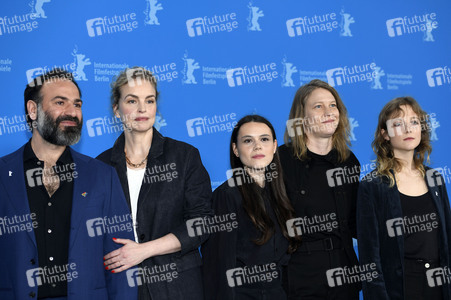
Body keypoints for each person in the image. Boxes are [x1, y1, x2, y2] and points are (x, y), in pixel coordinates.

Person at [0, 69, 136, 299]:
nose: (72, 112)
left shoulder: (103, 176)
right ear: (33, 110)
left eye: (77, 104)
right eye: (60, 102)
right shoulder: (3, 174)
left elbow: (121, 261)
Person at [96, 67, 212, 299]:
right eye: (132, 100)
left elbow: (201, 223)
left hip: (177, 287)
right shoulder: (101, 165)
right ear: (117, 110)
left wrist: (143, 251)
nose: (142, 109)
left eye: (149, 100)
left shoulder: (184, 156)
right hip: (120, 286)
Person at [357, 96, 451, 300]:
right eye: (398, 124)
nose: (408, 129)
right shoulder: (373, 185)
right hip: (400, 289)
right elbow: (369, 258)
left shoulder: (435, 179)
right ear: (385, 135)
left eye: (414, 122)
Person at [279, 79, 361, 299]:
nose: (328, 112)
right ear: (301, 116)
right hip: (300, 276)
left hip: (345, 273)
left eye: (333, 105)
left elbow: (356, 222)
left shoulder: (349, 161)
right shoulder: (281, 161)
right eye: (318, 106)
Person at [202, 114, 298, 300]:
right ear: (236, 150)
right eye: (248, 141)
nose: (258, 146)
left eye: (264, 139)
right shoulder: (227, 195)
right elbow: (219, 265)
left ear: (275, 146)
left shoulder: (281, 193)